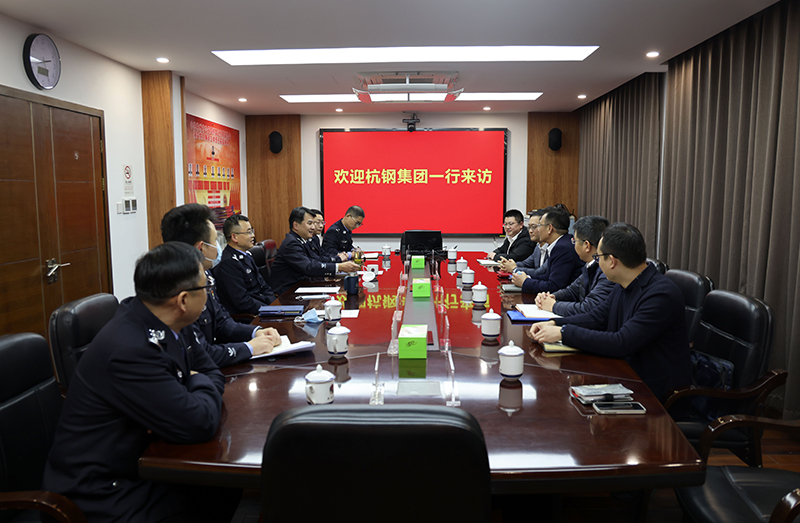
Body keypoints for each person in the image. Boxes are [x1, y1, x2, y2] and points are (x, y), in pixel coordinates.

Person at [42, 242, 241, 522]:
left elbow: (211, 371)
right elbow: (198, 422)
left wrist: (196, 384)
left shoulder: (167, 320)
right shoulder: (130, 349)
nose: (209, 294)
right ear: (183, 300)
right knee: (218, 490)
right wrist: (197, 384)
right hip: (102, 491)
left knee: (224, 489)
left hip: (143, 459)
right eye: (206, 287)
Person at [529, 223, 691, 401]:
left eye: (598, 257)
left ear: (612, 261)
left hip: (653, 393)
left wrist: (563, 333)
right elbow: (596, 318)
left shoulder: (660, 294)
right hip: (624, 376)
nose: (597, 263)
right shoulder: (625, 283)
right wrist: (554, 323)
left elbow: (622, 342)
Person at [161, 204, 281, 367]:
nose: (219, 246)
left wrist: (256, 332)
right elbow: (201, 355)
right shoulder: (176, 290)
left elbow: (222, 322)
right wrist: (249, 348)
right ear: (201, 248)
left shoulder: (207, 275)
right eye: (215, 241)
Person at [535, 215, 615, 316]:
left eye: (575, 241)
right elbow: (571, 291)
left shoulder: (606, 272)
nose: (573, 245)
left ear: (586, 245)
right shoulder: (589, 265)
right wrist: (550, 297)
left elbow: (589, 308)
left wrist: (553, 306)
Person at [271, 206, 361, 294]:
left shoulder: (302, 240)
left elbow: (316, 260)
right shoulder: (291, 243)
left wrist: (328, 274)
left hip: (303, 286)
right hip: (288, 293)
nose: (313, 227)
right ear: (296, 225)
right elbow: (308, 267)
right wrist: (338, 267)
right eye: (310, 223)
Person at [214, 214, 277, 314]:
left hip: (264, 307)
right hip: (250, 315)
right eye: (248, 232)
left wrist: (275, 305)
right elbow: (243, 301)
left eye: (252, 231)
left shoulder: (247, 255)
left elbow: (264, 286)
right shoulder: (228, 263)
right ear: (234, 237)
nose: (253, 236)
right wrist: (268, 310)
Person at [510, 207, 583, 294]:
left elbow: (554, 286)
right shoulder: (561, 243)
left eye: (539, 225)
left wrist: (525, 282)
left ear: (549, 228)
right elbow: (547, 277)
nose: (537, 230)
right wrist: (526, 278)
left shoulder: (563, 248)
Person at [498, 208, 548, 276]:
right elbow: (525, 263)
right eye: (529, 227)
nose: (530, 231)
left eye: (534, 227)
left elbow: (540, 272)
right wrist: (508, 265)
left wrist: (514, 269)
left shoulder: (554, 248)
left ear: (549, 228)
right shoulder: (538, 248)